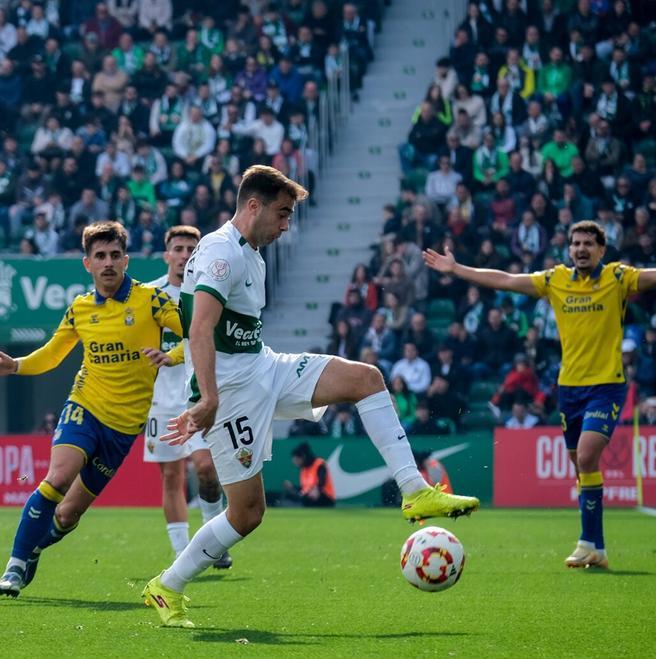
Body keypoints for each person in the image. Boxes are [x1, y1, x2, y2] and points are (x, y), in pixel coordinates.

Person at [143, 166, 479, 628]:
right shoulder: (222, 252)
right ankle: (167, 586)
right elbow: (199, 328)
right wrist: (209, 399)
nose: (286, 226)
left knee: (366, 378)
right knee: (247, 514)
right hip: (232, 395)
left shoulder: (252, 253)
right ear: (253, 205)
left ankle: (415, 491)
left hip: (264, 367)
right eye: (282, 214)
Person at [424, 220, 656, 569]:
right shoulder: (555, 280)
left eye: (588, 244)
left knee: (590, 455)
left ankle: (585, 542)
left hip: (606, 386)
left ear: (602, 250)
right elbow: (505, 280)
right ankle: (598, 547)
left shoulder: (618, 278)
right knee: (582, 467)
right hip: (569, 389)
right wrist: (457, 270)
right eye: (575, 243)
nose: (580, 249)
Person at [0, 221, 183, 597]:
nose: (108, 263)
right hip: (85, 405)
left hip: (124, 427)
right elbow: (52, 354)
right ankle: (14, 564)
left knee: (68, 514)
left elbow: (197, 333)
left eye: (114, 256)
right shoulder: (80, 308)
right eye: (99, 256)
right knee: (58, 478)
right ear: (87, 263)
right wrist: (17, 366)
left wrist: (171, 356)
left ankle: (34, 550)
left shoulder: (152, 301)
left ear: (126, 260)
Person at [140, 225, 231, 566]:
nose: (184, 255)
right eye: (178, 248)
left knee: (205, 468)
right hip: (159, 402)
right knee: (171, 476)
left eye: (191, 248)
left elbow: (203, 338)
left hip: (198, 394)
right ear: (167, 255)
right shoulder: (149, 295)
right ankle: (182, 552)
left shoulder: (206, 293)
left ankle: (212, 540)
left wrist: (174, 356)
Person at [281, 442, 335, 507]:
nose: (296, 463)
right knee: (286, 496)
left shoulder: (319, 464)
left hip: (325, 497)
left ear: (303, 457)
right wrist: (292, 487)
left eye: (297, 460)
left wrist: (317, 489)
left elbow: (322, 481)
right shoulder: (303, 469)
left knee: (305, 499)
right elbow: (304, 489)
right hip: (307, 497)